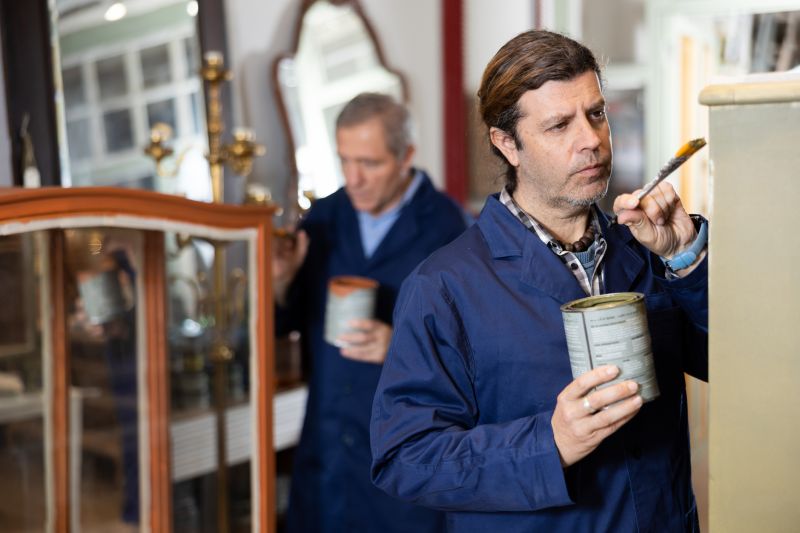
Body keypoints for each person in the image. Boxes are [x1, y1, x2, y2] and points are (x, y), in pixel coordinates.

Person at [370, 30, 708, 532]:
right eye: (559, 125)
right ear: (507, 143)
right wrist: (550, 444)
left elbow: (737, 365)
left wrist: (686, 259)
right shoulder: (442, 287)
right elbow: (405, 457)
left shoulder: (648, 248)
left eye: (596, 113)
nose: (591, 140)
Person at [275, 92, 468, 532]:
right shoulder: (323, 218)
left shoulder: (450, 228)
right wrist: (280, 282)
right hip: (326, 458)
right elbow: (284, 325)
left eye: (369, 163)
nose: (353, 179)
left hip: (405, 470)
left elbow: (478, 353)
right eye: (344, 161)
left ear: (406, 156)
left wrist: (401, 348)